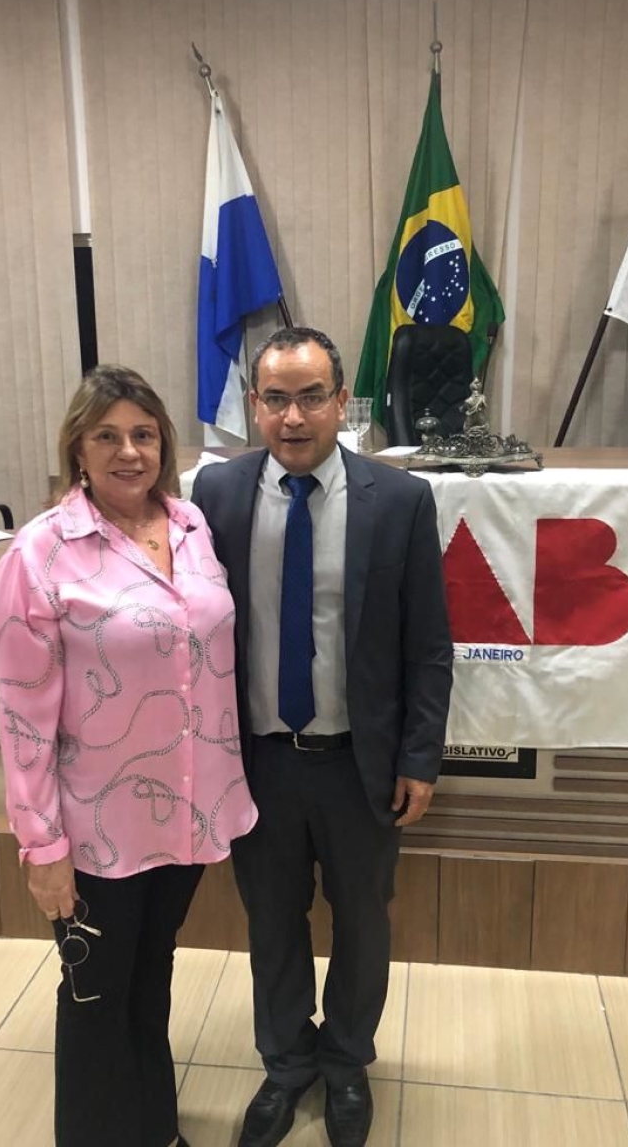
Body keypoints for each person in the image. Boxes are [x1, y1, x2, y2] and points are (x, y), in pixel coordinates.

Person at [0, 365, 257, 1147]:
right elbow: (23, 718)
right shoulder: (40, 554)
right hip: (95, 830)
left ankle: (154, 1128)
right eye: (107, 436)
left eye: (143, 434)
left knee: (149, 981)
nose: (128, 452)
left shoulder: (192, 527)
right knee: (96, 997)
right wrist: (42, 847)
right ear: (78, 447)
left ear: (163, 443)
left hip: (187, 817)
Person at [191, 328, 453, 1147]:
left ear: (344, 402)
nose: (293, 417)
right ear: (255, 406)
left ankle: (345, 1063)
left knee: (363, 922)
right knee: (272, 924)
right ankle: (285, 1064)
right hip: (258, 761)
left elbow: (429, 644)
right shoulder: (216, 495)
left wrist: (419, 758)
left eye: (311, 397)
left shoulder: (399, 501)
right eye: (275, 399)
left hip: (358, 764)